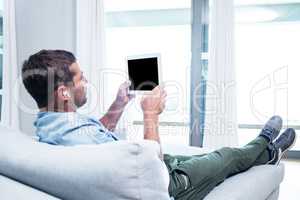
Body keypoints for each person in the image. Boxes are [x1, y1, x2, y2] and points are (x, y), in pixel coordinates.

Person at [22, 50, 296, 200]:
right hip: (168, 183)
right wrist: (151, 114)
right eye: (80, 79)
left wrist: (119, 104)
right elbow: (152, 167)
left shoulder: (52, 125)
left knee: (211, 155)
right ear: (63, 93)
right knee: (227, 156)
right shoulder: (77, 138)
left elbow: (97, 131)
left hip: (140, 168)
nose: (87, 83)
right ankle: (266, 146)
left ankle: (266, 152)